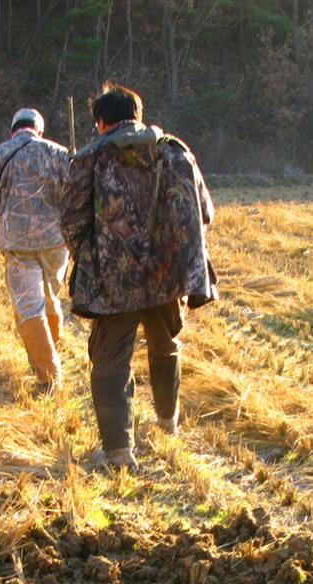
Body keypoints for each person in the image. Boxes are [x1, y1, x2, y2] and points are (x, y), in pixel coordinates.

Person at [60, 83, 216, 470]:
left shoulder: (90, 157)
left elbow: (71, 221)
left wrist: (94, 257)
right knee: (165, 348)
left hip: (114, 282)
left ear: (100, 122)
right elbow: (205, 212)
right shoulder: (177, 152)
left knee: (111, 362)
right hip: (168, 277)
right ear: (138, 116)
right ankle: (168, 424)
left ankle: (118, 452)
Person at [0, 107, 69, 392]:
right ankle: (47, 354)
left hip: (18, 246)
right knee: (50, 300)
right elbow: (77, 198)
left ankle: (48, 377)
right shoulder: (60, 154)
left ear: (13, 130)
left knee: (29, 308)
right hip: (56, 243)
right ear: (40, 130)